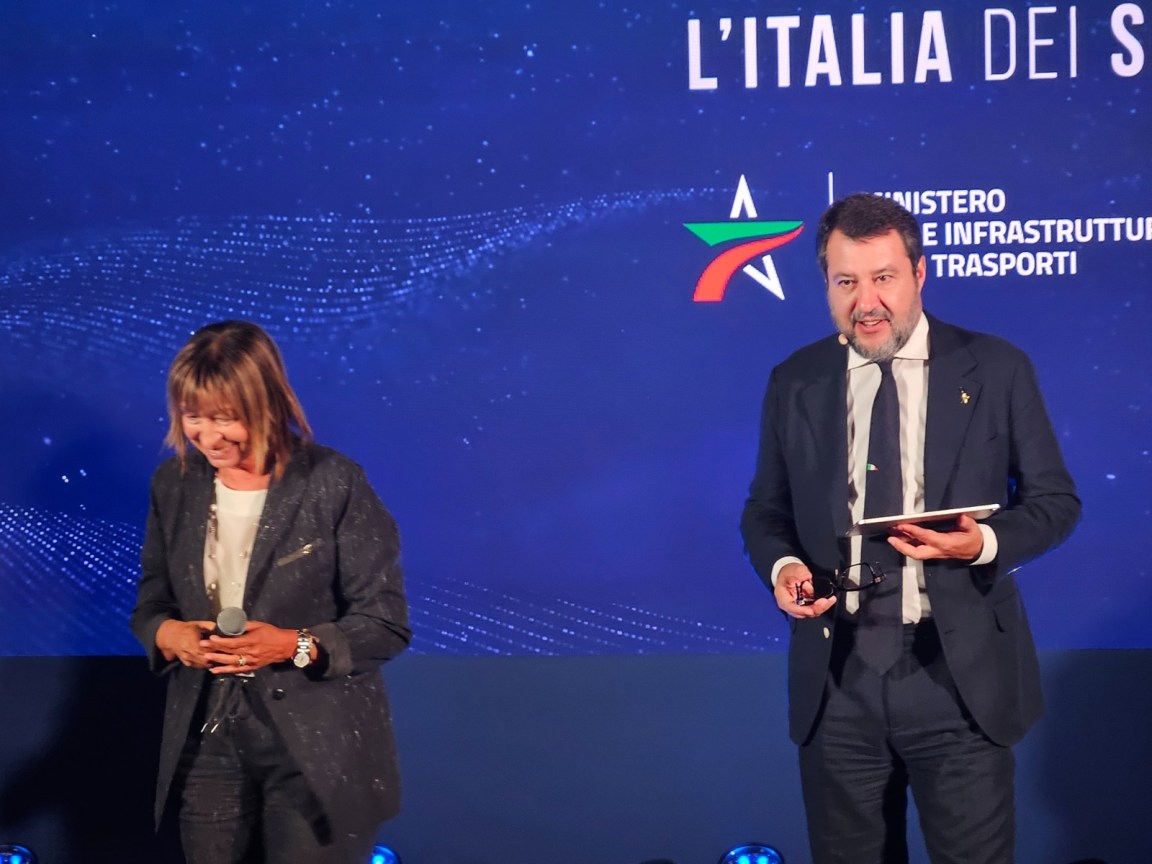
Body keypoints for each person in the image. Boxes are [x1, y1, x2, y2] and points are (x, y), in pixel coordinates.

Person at [740, 193, 1080, 863]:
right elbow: (765, 512)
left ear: (919, 273)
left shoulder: (997, 368)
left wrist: (981, 545)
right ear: (826, 284)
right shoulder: (795, 381)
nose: (865, 301)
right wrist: (785, 568)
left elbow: (1054, 502)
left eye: (883, 277)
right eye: (846, 282)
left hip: (959, 681)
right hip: (837, 683)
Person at [131, 321, 411, 864]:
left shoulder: (333, 481)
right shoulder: (174, 483)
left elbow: (384, 623)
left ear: (266, 403)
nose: (207, 437)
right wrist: (168, 635)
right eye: (192, 416)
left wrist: (292, 644)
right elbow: (152, 605)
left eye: (224, 418)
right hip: (207, 735)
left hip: (316, 748)